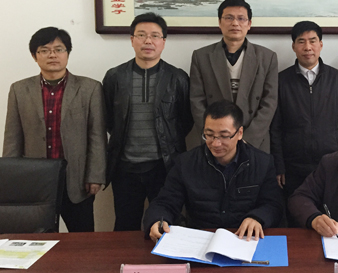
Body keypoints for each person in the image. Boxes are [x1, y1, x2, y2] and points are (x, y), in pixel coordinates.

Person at [3, 27, 106, 232]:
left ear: (67, 53)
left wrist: (95, 175)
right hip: (35, 179)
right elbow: (13, 137)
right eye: (44, 50)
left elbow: (97, 135)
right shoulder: (19, 89)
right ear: (34, 56)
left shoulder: (90, 88)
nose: (52, 55)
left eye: (59, 49)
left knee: (82, 238)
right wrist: (10, 176)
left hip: (76, 179)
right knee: (37, 239)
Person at [144, 100, 283, 242]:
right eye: (209, 135)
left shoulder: (262, 162)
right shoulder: (186, 163)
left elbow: (273, 205)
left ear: (240, 133)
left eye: (224, 136)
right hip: (200, 238)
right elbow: (165, 202)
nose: (216, 143)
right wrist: (157, 220)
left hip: (244, 238)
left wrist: (257, 217)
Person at [103, 12, 193, 231]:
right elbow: (108, 119)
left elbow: (185, 121)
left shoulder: (178, 78)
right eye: (141, 35)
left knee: (166, 225)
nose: (148, 41)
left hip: (164, 166)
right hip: (125, 167)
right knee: (125, 226)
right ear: (132, 40)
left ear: (163, 41)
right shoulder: (115, 76)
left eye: (155, 36)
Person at [270, 21, 338, 206]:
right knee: (296, 211)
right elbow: (275, 127)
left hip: (331, 163)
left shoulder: (337, 78)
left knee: (330, 212)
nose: (307, 47)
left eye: (312, 41)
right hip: (293, 165)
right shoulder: (281, 81)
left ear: (320, 44)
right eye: (301, 41)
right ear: (293, 46)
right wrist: (279, 165)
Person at [190, 0, 278, 152]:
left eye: (241, 18)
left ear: (249, 24)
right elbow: (196, 100)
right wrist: (214, 137)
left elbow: (269, 102)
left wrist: (248, 139)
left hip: (255, 141)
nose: (235, 23)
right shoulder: (201, 57)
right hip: (215, 143)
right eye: (229, 18)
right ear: (219, 22)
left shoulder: (267, 57)